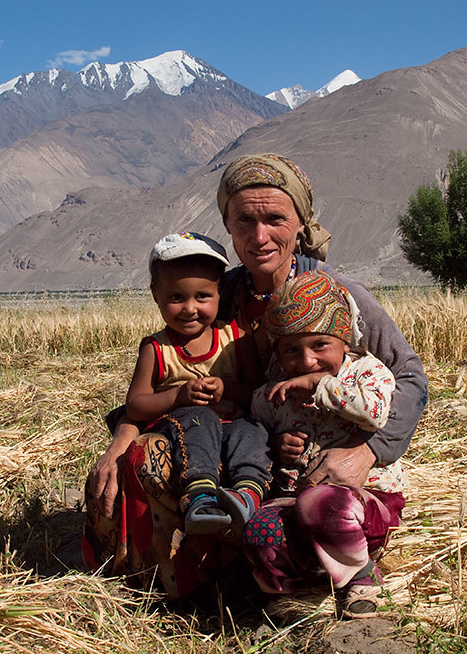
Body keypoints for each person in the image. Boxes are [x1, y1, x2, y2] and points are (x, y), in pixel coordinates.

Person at [84, 153, 428, 600]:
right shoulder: (212, 296)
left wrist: (365, 453)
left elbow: (410, 378)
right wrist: (121, 439)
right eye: (245, 220)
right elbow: (168, 382)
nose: (259, 236)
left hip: (317, 462)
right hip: (238, 443)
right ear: (227, 224)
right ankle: (188, 578)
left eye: (275, 219)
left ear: (301, 223)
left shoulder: (340, 296)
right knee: (144, 460)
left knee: (314, 512)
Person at [243, 270, 405, 618]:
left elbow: (374, 413)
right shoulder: (275, 393)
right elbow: (255, 434)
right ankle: (294, 595)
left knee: (321, 505)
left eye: (320, 346)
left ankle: (361, 578)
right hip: (294, 499)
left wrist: (321, 384)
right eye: (291, 350)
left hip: (363, 503)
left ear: (345, 341)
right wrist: (277, 444)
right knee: (259, 528)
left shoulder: (366, 374)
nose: (306, 361)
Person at [127, 232, 269, 535]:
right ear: (156, 294)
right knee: (200, 416)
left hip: (233, 426)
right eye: (176, 298)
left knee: (251, 428)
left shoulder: (236, 340)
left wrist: (227, 390)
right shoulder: (156, 349)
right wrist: (178, 396)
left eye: (202, 297)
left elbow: (259, 396)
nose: (190, 308)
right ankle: (201, 496)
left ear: (220, 293)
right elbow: (136, 405)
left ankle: (247, 494)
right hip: (183, 428)